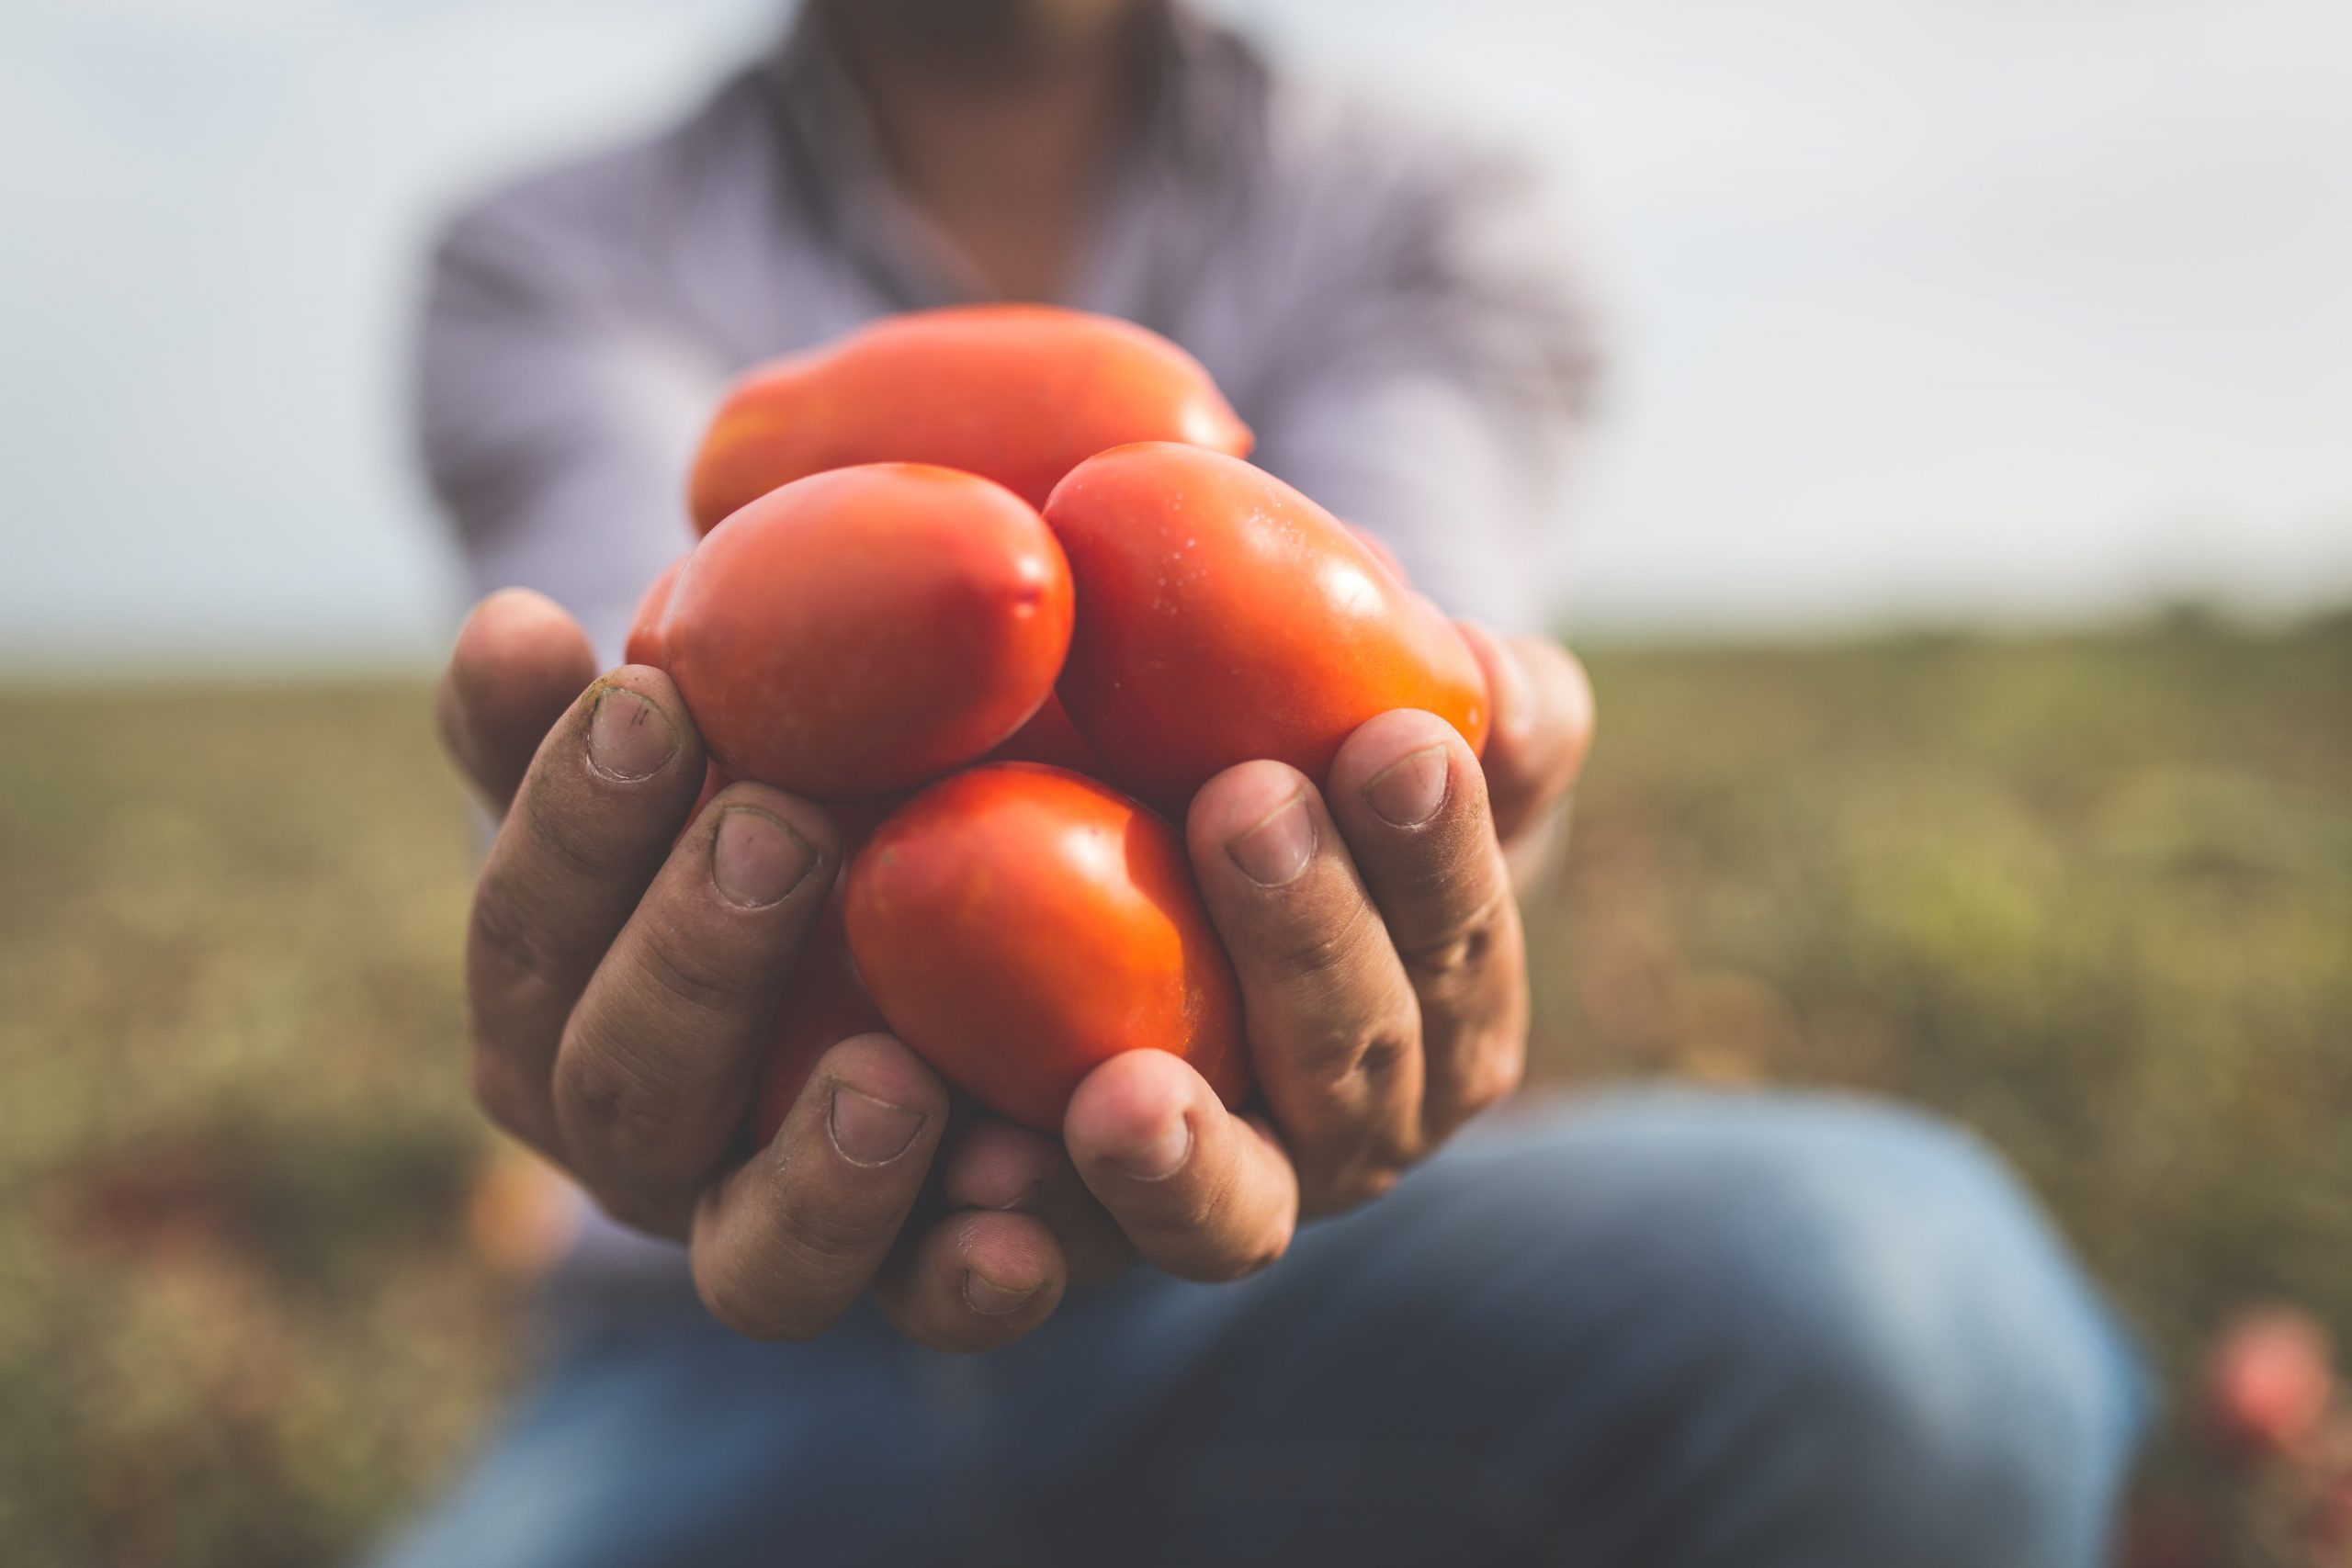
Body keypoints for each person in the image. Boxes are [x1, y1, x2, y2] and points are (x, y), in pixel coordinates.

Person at [389, 2, 2146, 1563]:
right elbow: (654, 707)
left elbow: (1394, 733)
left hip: (1347, 1282)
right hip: (723, 1340)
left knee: (1921, 1330)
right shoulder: (546, 250)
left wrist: (1434, 847)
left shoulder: (1425, 204)